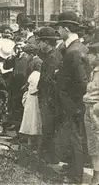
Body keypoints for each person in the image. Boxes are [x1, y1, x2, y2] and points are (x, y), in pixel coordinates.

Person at [54, 11, 92, 184]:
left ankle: (76, 176)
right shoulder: (75, 48)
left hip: (73, 103)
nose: (58, 31)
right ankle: (71, 168)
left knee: (75, 138)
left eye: (59, 28)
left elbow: (81, 82)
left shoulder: (74, 51)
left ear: (66, 29)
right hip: (72, 102)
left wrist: (75, 105)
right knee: (72, 136)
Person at [35, 27, 62, 166]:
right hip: (47, 98)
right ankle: (47, 156)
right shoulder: (52, 55)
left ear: (46, 42)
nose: (38, 44)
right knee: (48, 127)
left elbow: (50, 80)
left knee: (49, 127)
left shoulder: (52, 58)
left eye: (40, 41)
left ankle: (49, 157)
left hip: (49, 99)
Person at [84, 42, 99, 185]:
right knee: (93, 144)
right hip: (89, 109)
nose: (88, 56)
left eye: (90, 54)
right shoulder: (93, 71)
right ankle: (96, 174)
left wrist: (95, 110)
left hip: (96, 110)